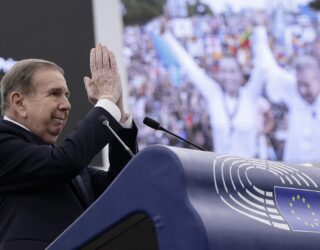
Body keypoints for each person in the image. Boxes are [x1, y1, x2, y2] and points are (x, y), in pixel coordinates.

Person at [0, 44, 138, 250]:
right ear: (18, 102)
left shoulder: (70, 167)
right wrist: (106, 102)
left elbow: (121, 188)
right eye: (55, 93)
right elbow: (64, 162)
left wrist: (118, 108)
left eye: (67, 95)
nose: (66, 105)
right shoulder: (4, 143)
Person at [162, 31, 274, 158]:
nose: (228, 76)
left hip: (249, 171)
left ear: (241, 74)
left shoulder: (250, 95)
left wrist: (260, 30)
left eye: (232, 71)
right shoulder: (214, 95)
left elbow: (262, 67)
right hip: (220, 171)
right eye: (224, 71)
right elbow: (191, 68)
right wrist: (167, 36)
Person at [254, 24, 320, 163]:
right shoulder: (294, 90)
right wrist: (260, 31)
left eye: (307, 85)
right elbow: (268, 68)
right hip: (294, 177)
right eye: (299, 84)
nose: (302, 90)